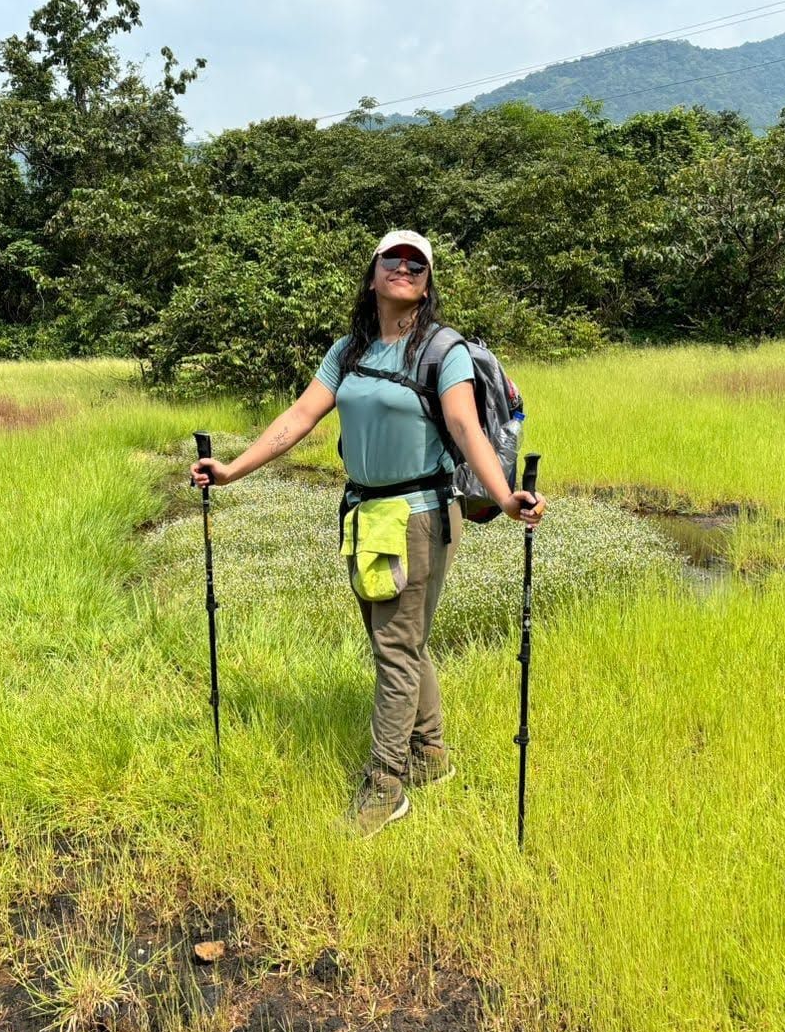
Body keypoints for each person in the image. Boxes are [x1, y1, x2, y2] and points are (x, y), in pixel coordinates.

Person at [190, 229, 547, 836]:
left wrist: (504, 498)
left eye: (416, 263)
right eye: (393, 259)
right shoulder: (349, 350)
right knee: (402, 643)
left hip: (419, 516)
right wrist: (231, 470)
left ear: (426, 284)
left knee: (395, 648)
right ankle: (430, 756)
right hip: (363, 514)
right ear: (374, 272)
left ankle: (386, 785)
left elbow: (465, 427)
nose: (404, 268)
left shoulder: (442, 350)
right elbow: (299, 416)